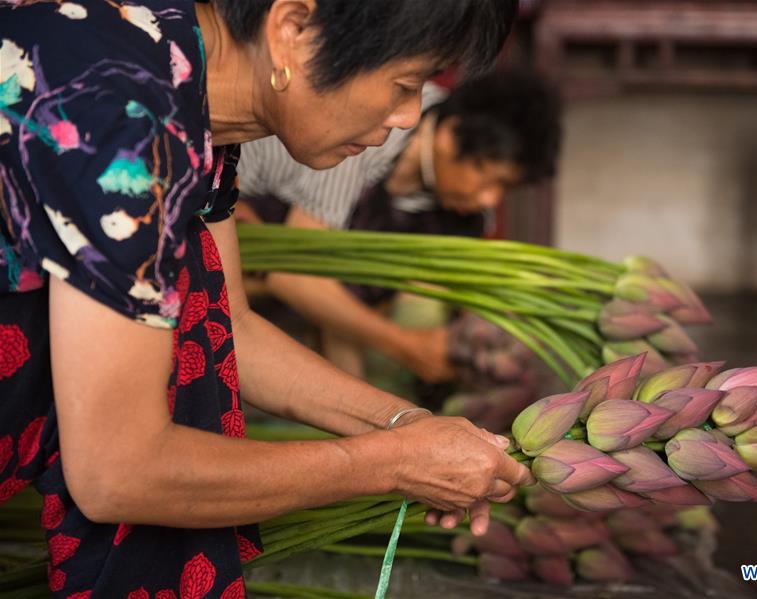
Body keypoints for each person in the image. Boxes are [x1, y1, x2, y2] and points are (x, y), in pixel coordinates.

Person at [0, 0, 533, 595]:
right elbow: (117, 472)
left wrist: (408, 426)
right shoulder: (126, 114)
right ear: (294, 32)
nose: (409, 117)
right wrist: (392, 464)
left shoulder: (185, 91)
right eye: (405, 84)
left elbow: (233, 332)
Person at [236, 70, 561, 383]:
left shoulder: (460, 219)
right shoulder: (371, 125)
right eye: (490, 179)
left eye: (506, 189)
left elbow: (338, 300)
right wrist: (404, 344)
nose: (491, 199)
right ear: (450, 136)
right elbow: (295, 273)